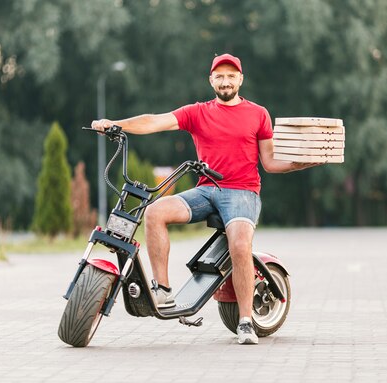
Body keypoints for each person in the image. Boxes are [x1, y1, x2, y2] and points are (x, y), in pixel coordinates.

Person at [92, 53, 318, 345]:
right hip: (205, 190)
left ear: (241, 79)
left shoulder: (258, 113)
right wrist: (115, 124)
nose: (225, 81)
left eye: (231, 76)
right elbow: (154, 121)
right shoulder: (197, 112)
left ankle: (246, 321)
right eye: (220, 76)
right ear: (211, 80)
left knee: (239, 244)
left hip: (242, 191)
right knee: (155, 212)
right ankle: (162, 289)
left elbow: (270, 162)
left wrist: (302, 163)